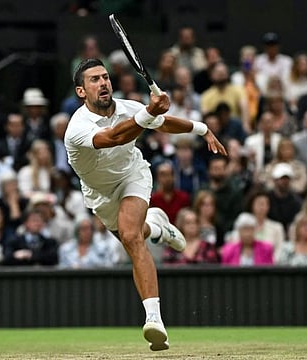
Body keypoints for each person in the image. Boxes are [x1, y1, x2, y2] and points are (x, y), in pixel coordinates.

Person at [64, 58, 226, 351]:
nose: (103, 83)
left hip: (132, 176)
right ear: (81, 91)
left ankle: (154, 320)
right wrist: (149, 112)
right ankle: (159, 228)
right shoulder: (77, 127)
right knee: (136, 234)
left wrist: (201, 129)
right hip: (100, 193)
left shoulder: (129, 107)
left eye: (105, 77)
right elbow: (114, 137)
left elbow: (164, 124)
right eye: (94, 80)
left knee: (129, 235)